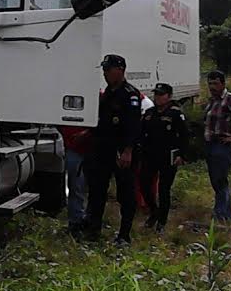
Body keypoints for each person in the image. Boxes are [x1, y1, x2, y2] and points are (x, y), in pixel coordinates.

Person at [81, 54, 142, 246]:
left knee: (125, 193)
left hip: (121, 151)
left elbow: (133, 127)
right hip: (102, 150)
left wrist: (128, 151)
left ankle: (124, 235)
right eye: (104, 70)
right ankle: (93, 230)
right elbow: (102, 121)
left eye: (108, 70)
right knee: (97, 191)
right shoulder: (107, 93)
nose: (105, 73)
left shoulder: (130, 94)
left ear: (120, 70)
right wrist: (87, 133)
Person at [138, 82, 189, 232]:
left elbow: (184, 136)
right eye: (156, 94)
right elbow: (141, 133)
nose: (158, 98)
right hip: (150, 155)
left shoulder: (175, 114)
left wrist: (182, 155)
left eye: (161, 95)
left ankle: (162, 221)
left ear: (169, 96)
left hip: (168, 156)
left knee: (164, 189)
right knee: (144, 185)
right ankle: (154, 211)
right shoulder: (150, 113)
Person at [203, 70, 231, 222]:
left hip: (222, 145)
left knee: (220, 180)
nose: (212, 87)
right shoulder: (212, 100)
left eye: (215, 83)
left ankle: (222, 215)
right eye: (210, 83)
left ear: (223, 84)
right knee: (215, 180)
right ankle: (220, 211)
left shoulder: (230, 99)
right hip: (210, 145)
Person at [61, 126, 91, 235]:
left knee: (87, 188)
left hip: (92, 148)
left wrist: (86, 133)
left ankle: (88, 220)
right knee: (75, 187)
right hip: (74, 148)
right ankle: (76, 222)